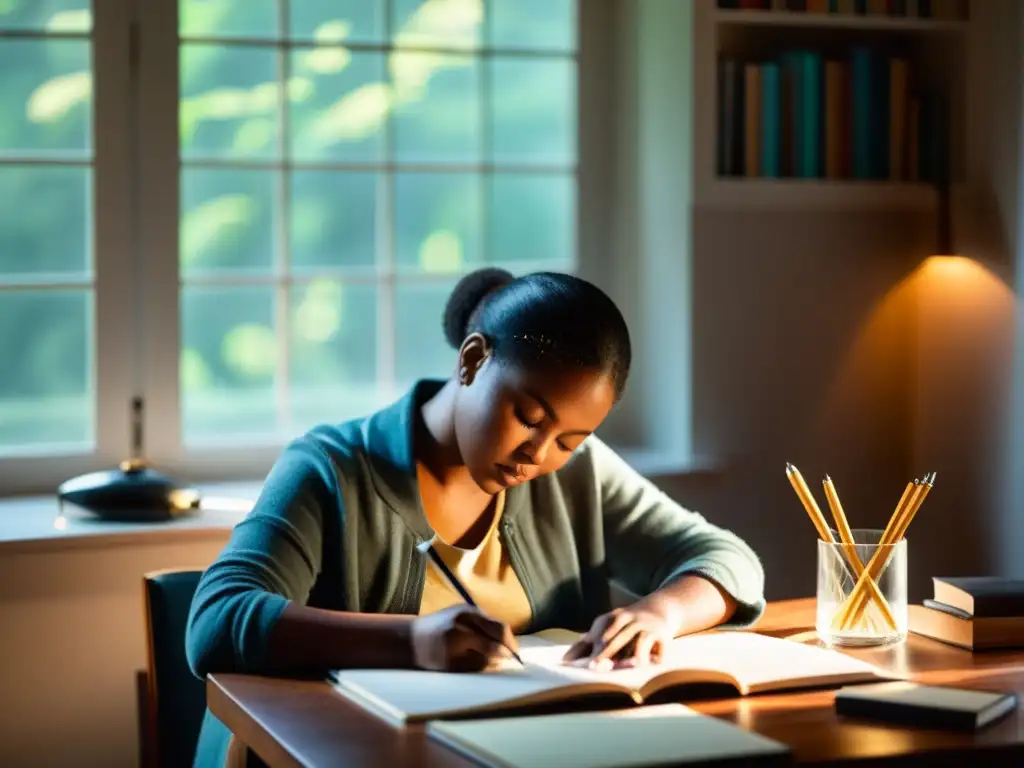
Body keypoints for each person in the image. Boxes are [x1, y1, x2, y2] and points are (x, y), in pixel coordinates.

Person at [185, 268, 765, 767]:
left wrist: (659, 613)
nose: (539, 454)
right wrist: (413, 642)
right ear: (471, 360)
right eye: (528, 416)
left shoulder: (576, 471)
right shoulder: (331, 468)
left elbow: (727, 559)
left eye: (571, 438)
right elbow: (216, 619)